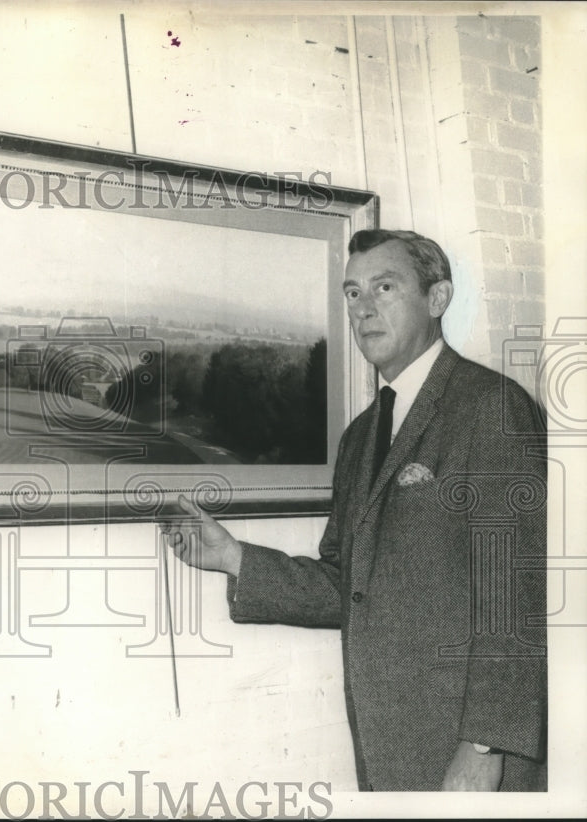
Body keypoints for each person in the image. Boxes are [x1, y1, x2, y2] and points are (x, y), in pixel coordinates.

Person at [164, 229, 547, 792]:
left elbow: (520, 593)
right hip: (389, 743)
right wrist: (235, 558)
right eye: (351, 293)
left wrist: (486, 743)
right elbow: (350, 586)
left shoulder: (491, 408)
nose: (363, 308)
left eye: (384, 287)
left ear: (437, 299)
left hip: (473, 753)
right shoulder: (361, 436)